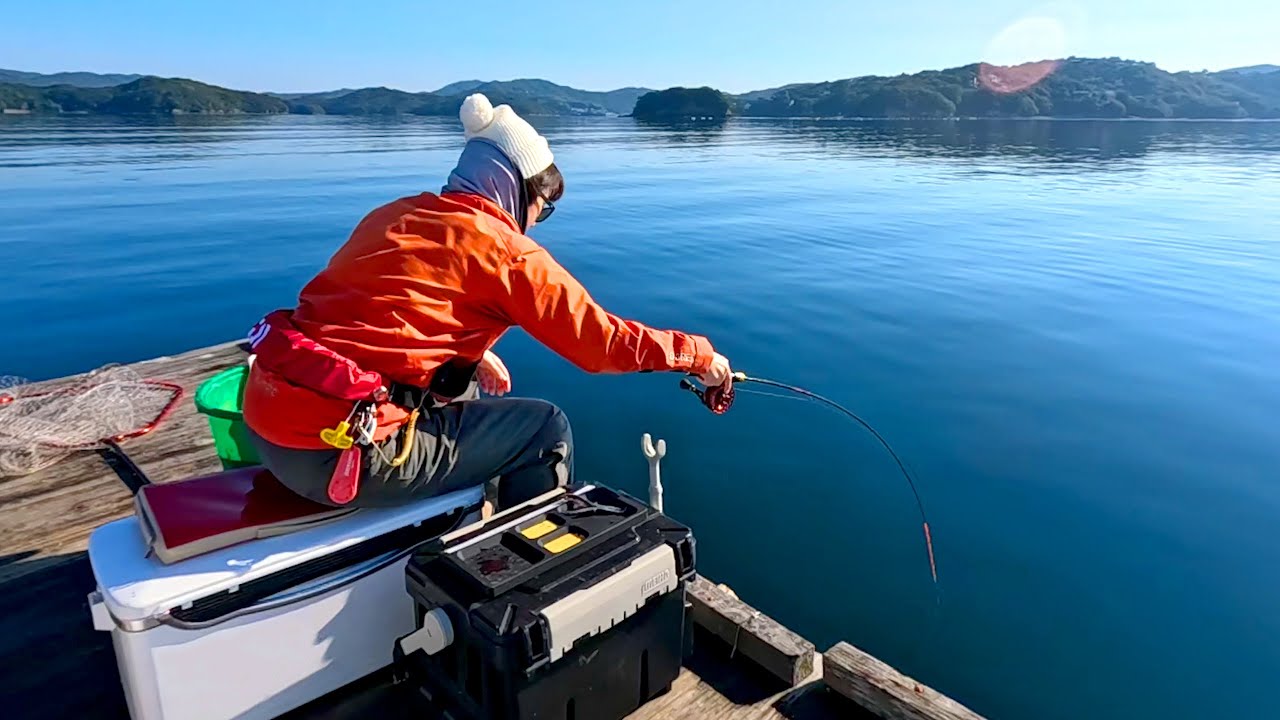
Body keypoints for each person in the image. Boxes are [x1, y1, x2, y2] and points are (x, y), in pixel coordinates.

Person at [242, 93, 732, 512]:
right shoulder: (506, 251)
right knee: (544, 427)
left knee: (465, 395)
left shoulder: (393, 215)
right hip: (340, 458)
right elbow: (600, 345)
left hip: (268, 426)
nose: (537, 221)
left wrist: (469, 355)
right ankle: (524, 569)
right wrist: (699, 355)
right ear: (516, 187)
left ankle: (464, 512)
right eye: (544, 206)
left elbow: (375, 313)